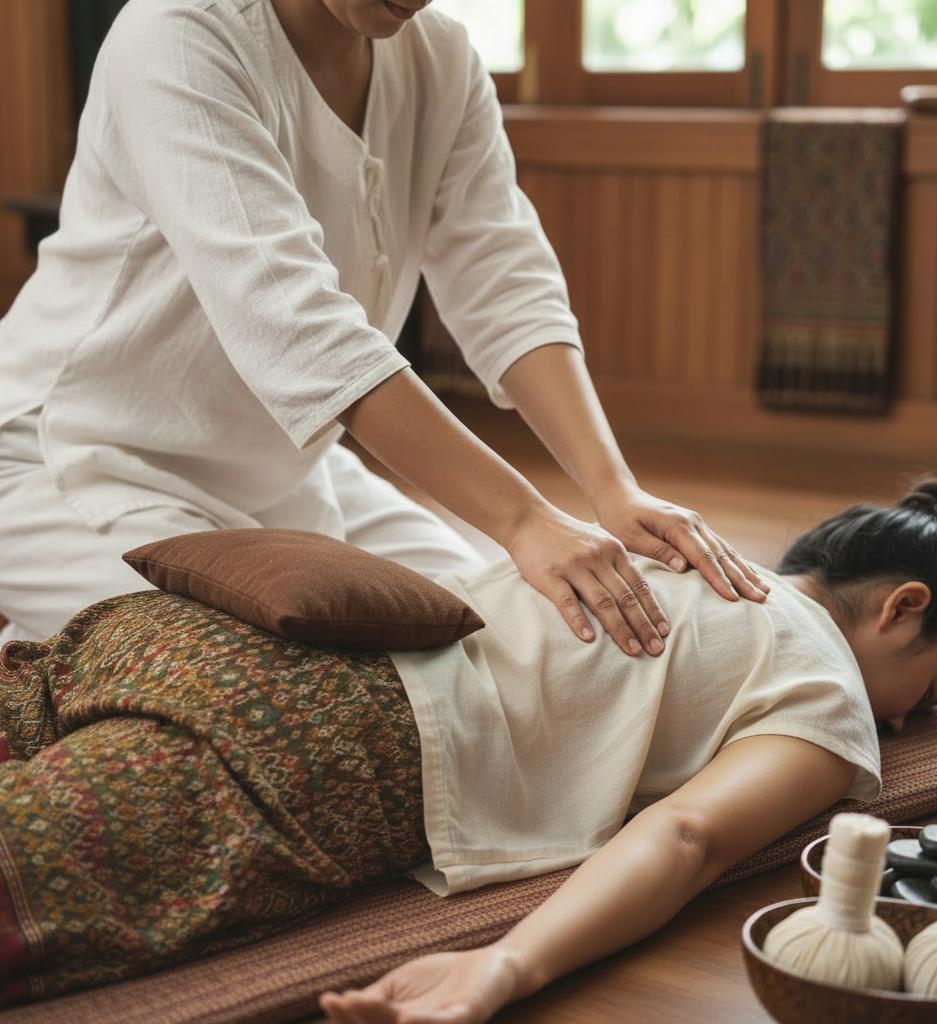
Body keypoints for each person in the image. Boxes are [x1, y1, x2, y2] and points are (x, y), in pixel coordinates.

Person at [0, 479, 937, 1014]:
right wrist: (505, 966)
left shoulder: (658, 540)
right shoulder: (826, 692)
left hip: (176, 630)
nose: (909, 723)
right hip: (316, 743)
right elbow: (690, 833)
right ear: (901, 606)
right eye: (933, 688)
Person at [0, 0, 769, 655]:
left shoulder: (439, 55)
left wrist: (609, 490)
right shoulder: (178, 36)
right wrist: (525, 518)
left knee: (507, 638)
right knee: (267, 690)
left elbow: (506, 281)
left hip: (290, 469)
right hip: (72, 459)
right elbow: (300, 329)